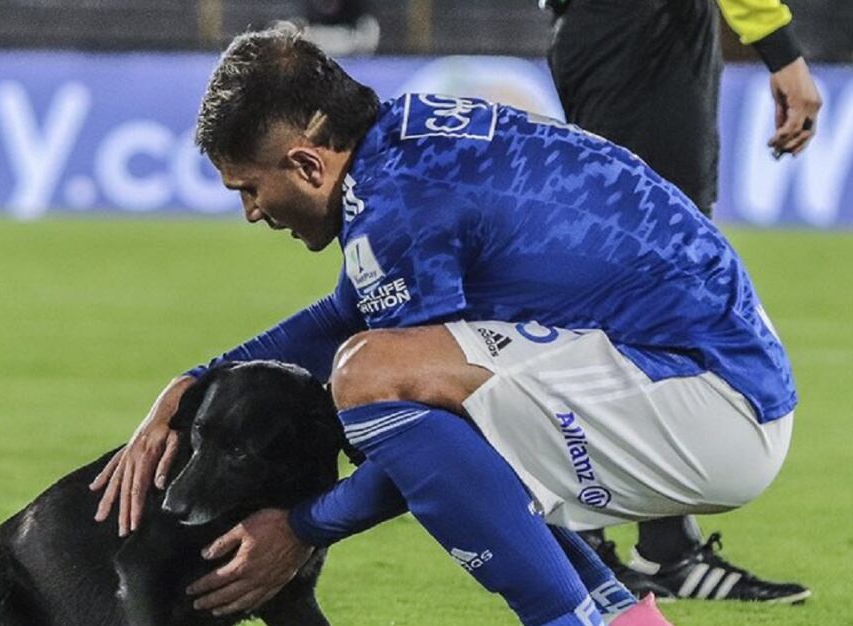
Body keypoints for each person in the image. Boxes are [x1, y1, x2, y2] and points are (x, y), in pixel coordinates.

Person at [91, 25, 800, 625]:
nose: (252, 211)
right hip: (703, 375)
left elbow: (400, 406)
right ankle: (619, 616)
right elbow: (346, 313)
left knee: (373, 377)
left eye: (250, 188)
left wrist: (302, 527)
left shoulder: (401, 202)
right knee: (409, 385)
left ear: (306, 164)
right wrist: (193, 383)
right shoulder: (403, 146)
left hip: (709, 403)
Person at [544, 0, 820, 601]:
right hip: (638, 32)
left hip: (624, 32)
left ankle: (660, 546)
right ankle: (593, 544)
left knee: (649, 289)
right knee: (641, 279)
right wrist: (780, 49)